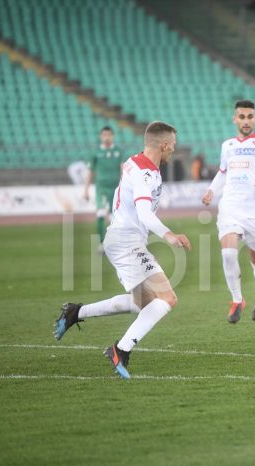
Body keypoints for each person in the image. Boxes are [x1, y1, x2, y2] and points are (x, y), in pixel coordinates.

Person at [53, 121, 191, 379]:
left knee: (146, 304)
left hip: (124, 239)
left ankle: (76, 312)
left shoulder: (135, 162)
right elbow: (143, 212)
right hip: (127, 241)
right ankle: (121, 349)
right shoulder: (145, 174)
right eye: (173, 144)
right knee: (168, 298)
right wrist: (169, 235)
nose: (174, 148)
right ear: (163, 145)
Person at [201, 100, 255, 323]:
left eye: (250, 117)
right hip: (230, 207)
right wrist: (211, 190)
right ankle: (237, 299)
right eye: (242, 117)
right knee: (228, 253)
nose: (246, 121)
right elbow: (222, 173)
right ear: (234, 119)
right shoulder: (227, 145)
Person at [83, 126, 123, 252]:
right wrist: (86, 189)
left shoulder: (119, 151)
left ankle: (113, 243)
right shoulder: (95, 152)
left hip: (115, 189)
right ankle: (101, 243)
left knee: (114, 217)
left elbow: (123, 170)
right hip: (101, 188)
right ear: (101, 136)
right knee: (100, 213)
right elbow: (90, 171)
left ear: (113, 136)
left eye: (109, 135)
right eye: (104, 135)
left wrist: (125, 187)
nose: (107, 137)